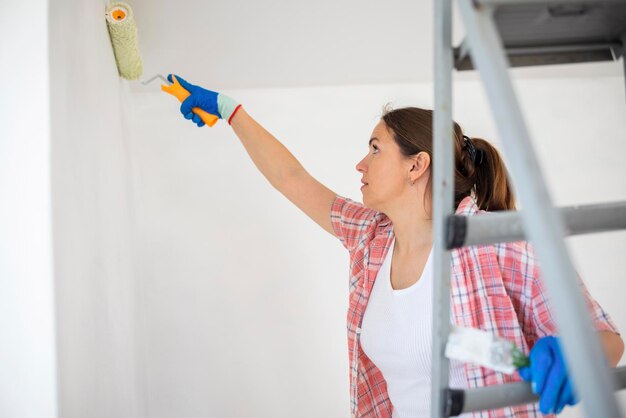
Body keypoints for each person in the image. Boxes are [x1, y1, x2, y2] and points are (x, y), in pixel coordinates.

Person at [166, 74, 624, 417]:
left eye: (375, 148)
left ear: (416, 165)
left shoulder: (496, 243)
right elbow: (292, 179)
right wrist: (231, 111)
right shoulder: (371, 239)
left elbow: (606, 340)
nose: (360, 163)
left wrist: (576, 357)